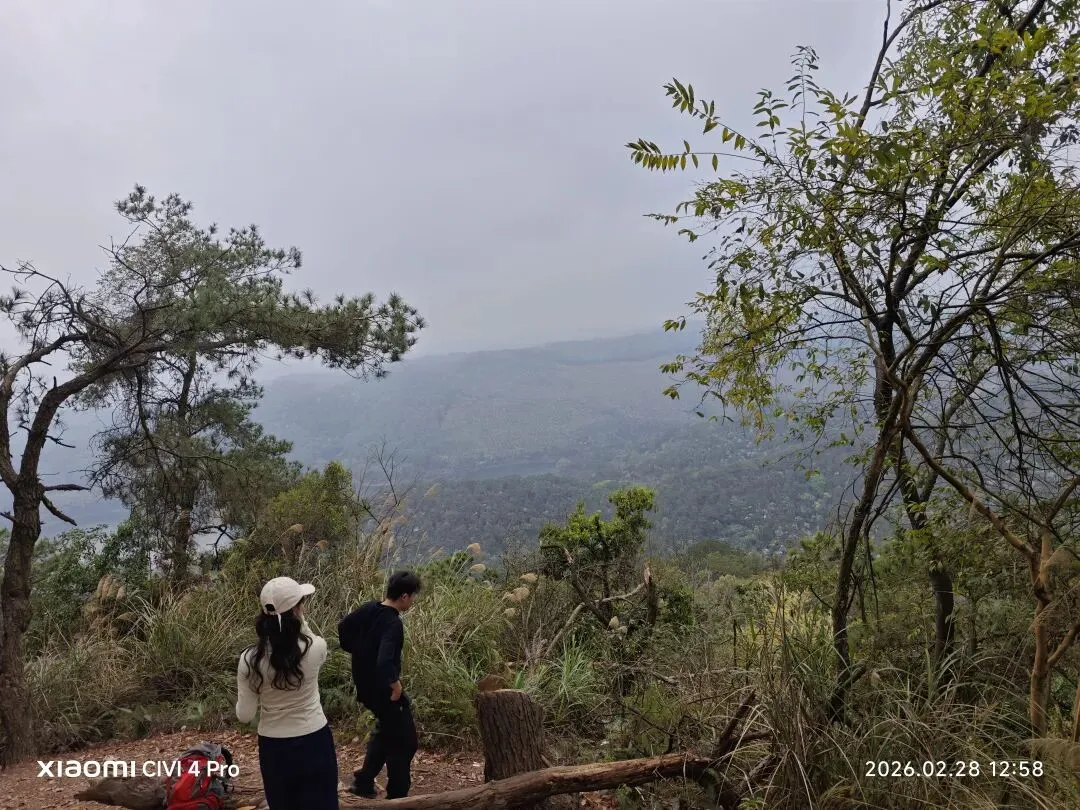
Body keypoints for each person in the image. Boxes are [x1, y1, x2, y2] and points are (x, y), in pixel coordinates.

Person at [236, 576, 339, 810]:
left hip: (274, 747)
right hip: (314, 740)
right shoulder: (316, 648)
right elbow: (306, 637)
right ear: (297, 611)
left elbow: (244, 715)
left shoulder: (249, 659)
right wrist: (298, 619)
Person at [337, 570, 422, 799]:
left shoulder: (369, 608)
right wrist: (395, 685)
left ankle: (363, 782)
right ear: (404, 596)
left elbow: (343, 627)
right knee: (405, 742)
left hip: (366, 687)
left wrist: (358, 652)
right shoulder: (392, 623)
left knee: (386, 730)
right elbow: (384, 660)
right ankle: (397, 796)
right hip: (384, 691)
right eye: (412, 596)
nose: (413, 601)